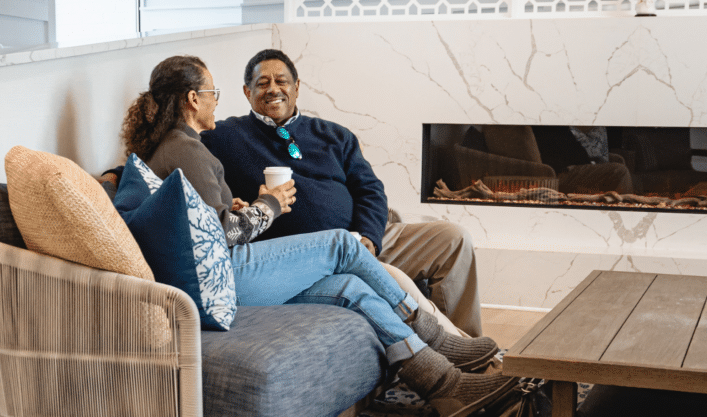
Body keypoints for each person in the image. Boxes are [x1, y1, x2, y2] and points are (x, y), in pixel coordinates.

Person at [119, 55, 513, 416]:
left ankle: (445, 386)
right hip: (227, 277)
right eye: (212, 93)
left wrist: (236, 205)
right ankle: (434, 338)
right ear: (192, 98)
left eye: (282, 81)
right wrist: (269, 204)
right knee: (341, 244)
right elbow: (225, 234)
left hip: (229, 274)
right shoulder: (191, 147)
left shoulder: (178, 146)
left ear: (297, 86)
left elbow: (203, 216)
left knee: (351, 290)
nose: (215, 102)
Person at [201, 49, 485, 337]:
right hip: (305, 254)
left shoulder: (335, 135)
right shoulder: (222, 137)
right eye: (263, 83)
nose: (273, 89)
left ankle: (468, 343)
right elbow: (190, 159)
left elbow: (370, 190)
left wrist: (369, 238)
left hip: (360, 239)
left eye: (282, 81)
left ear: (297, 88)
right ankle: (449, 343)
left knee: (453, 238)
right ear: (247, 91)